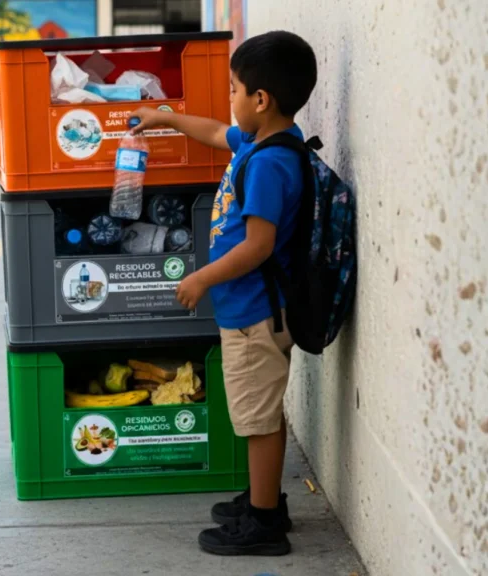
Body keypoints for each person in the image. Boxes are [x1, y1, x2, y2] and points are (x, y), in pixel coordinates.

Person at [130, 31, 317, 557]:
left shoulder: (270, 163)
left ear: (261, 100)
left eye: (234, 89)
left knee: (257, 419)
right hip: (251, 309)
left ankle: (263, 524)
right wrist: (167, 117)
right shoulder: (261, 143)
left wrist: (202, 278)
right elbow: (215, 132)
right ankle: (266, 502)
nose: (229, 100)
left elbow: (259, 245)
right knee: (263, 413)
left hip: (254, 312)